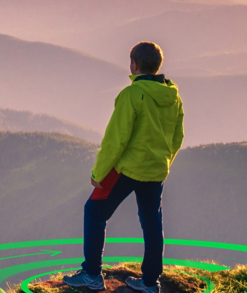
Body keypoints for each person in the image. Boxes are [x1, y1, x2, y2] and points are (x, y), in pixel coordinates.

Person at [61, 41, 185, 293]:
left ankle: (92, 274)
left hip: (127, 168)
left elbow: (116, 139)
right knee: (152, 223)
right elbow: (178, 137)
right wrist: (164, 162)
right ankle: (151, 282)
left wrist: (99, 173)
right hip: (156, 170)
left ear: (134, 64)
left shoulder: (131, 95)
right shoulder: (174, 97)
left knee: (94, 211)